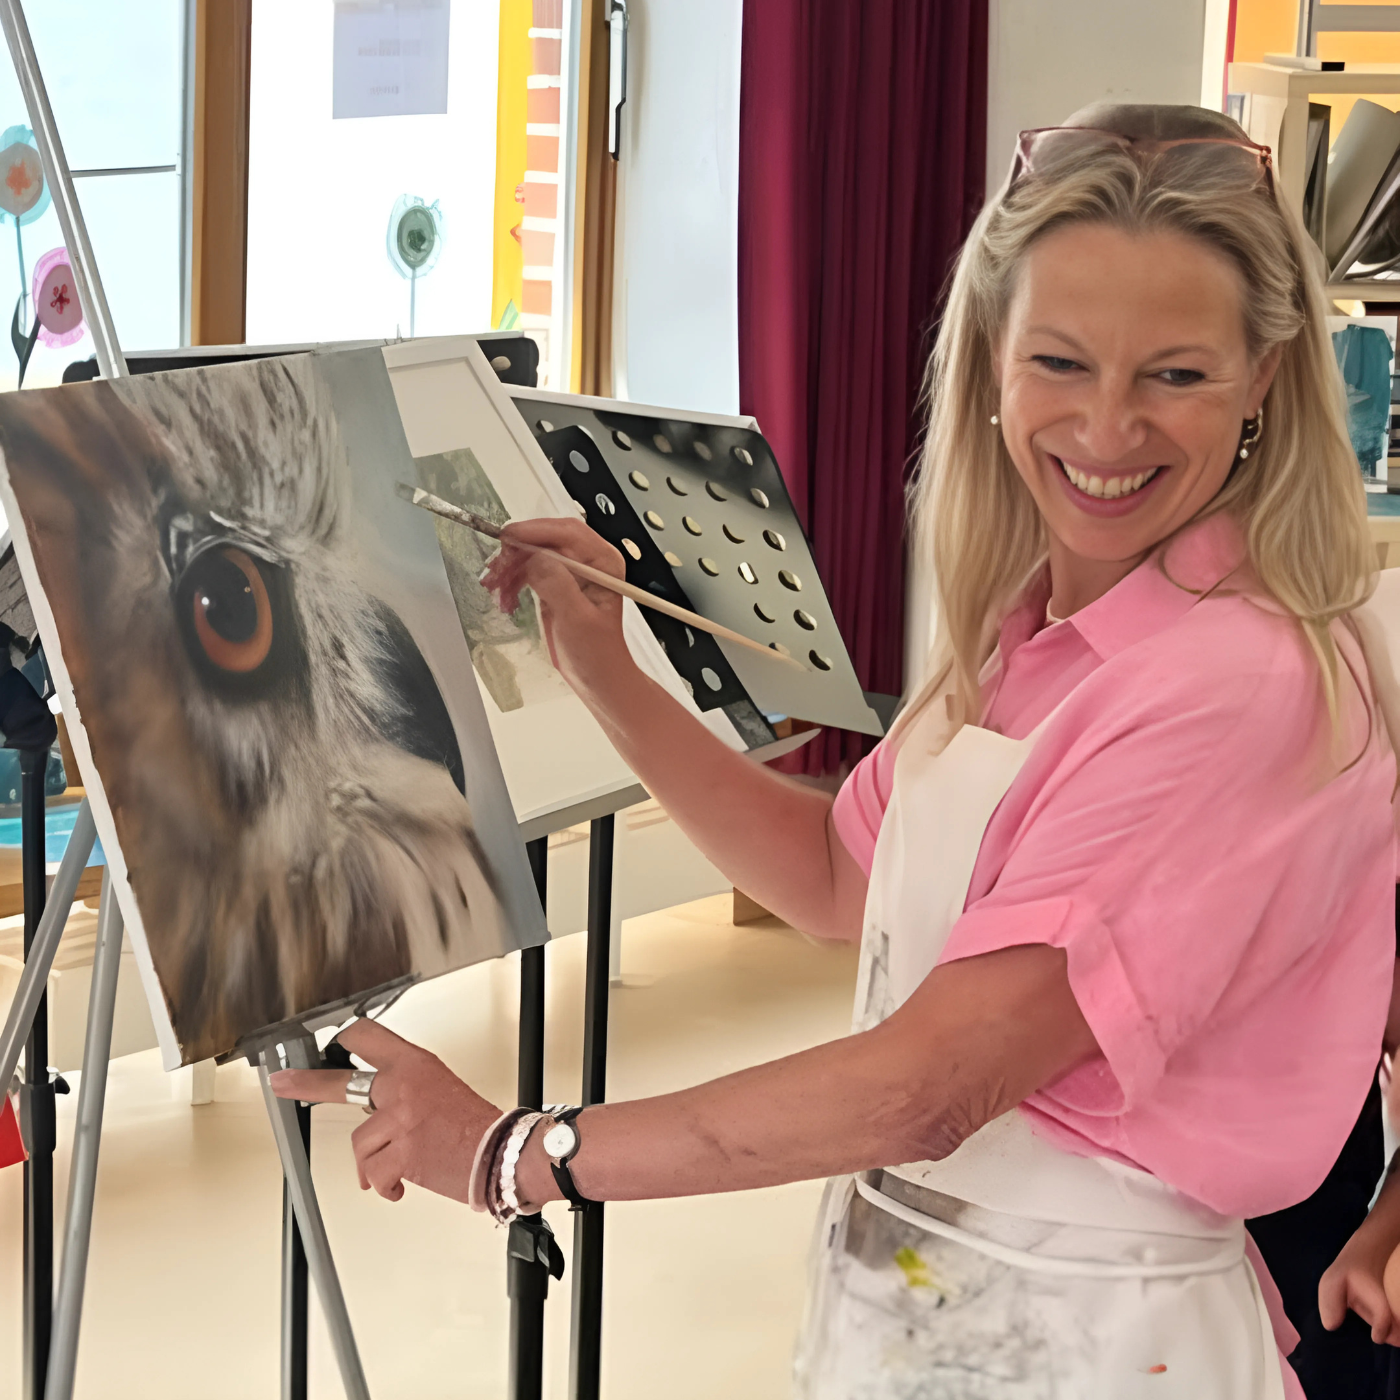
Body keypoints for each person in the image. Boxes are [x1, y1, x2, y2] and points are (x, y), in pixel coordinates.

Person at [273, 104, 1398, 1397]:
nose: (1107, 428)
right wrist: (606, 671)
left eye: (1176, 375)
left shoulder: (1241, 683)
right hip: (932, 1301)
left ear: (1265, 376)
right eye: (1062, 363)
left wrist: (515, 1151)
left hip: (1096, 1343)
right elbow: (829, 871)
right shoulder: (1031, 624)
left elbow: (932, 1084)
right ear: (990, 360)